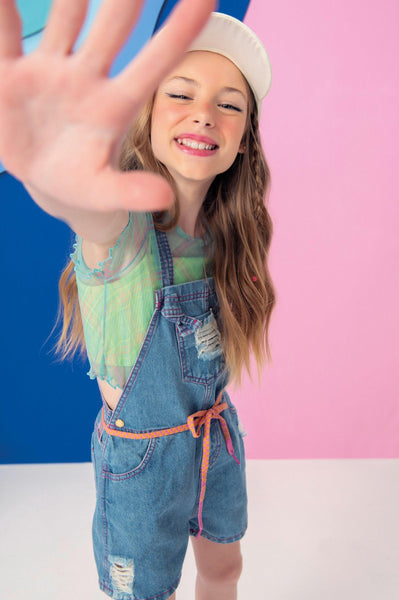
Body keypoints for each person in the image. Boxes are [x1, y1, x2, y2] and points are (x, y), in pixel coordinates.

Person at [0, 1, 276, 598]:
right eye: (180, 94)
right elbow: (89, 213)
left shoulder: (228, 238)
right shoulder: (121, 233)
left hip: (215, 439)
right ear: (147, 116)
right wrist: (49, 173)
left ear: (243, 144)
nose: (204, 113)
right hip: (142, 462)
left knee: (224, 568)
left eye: (230, 105)